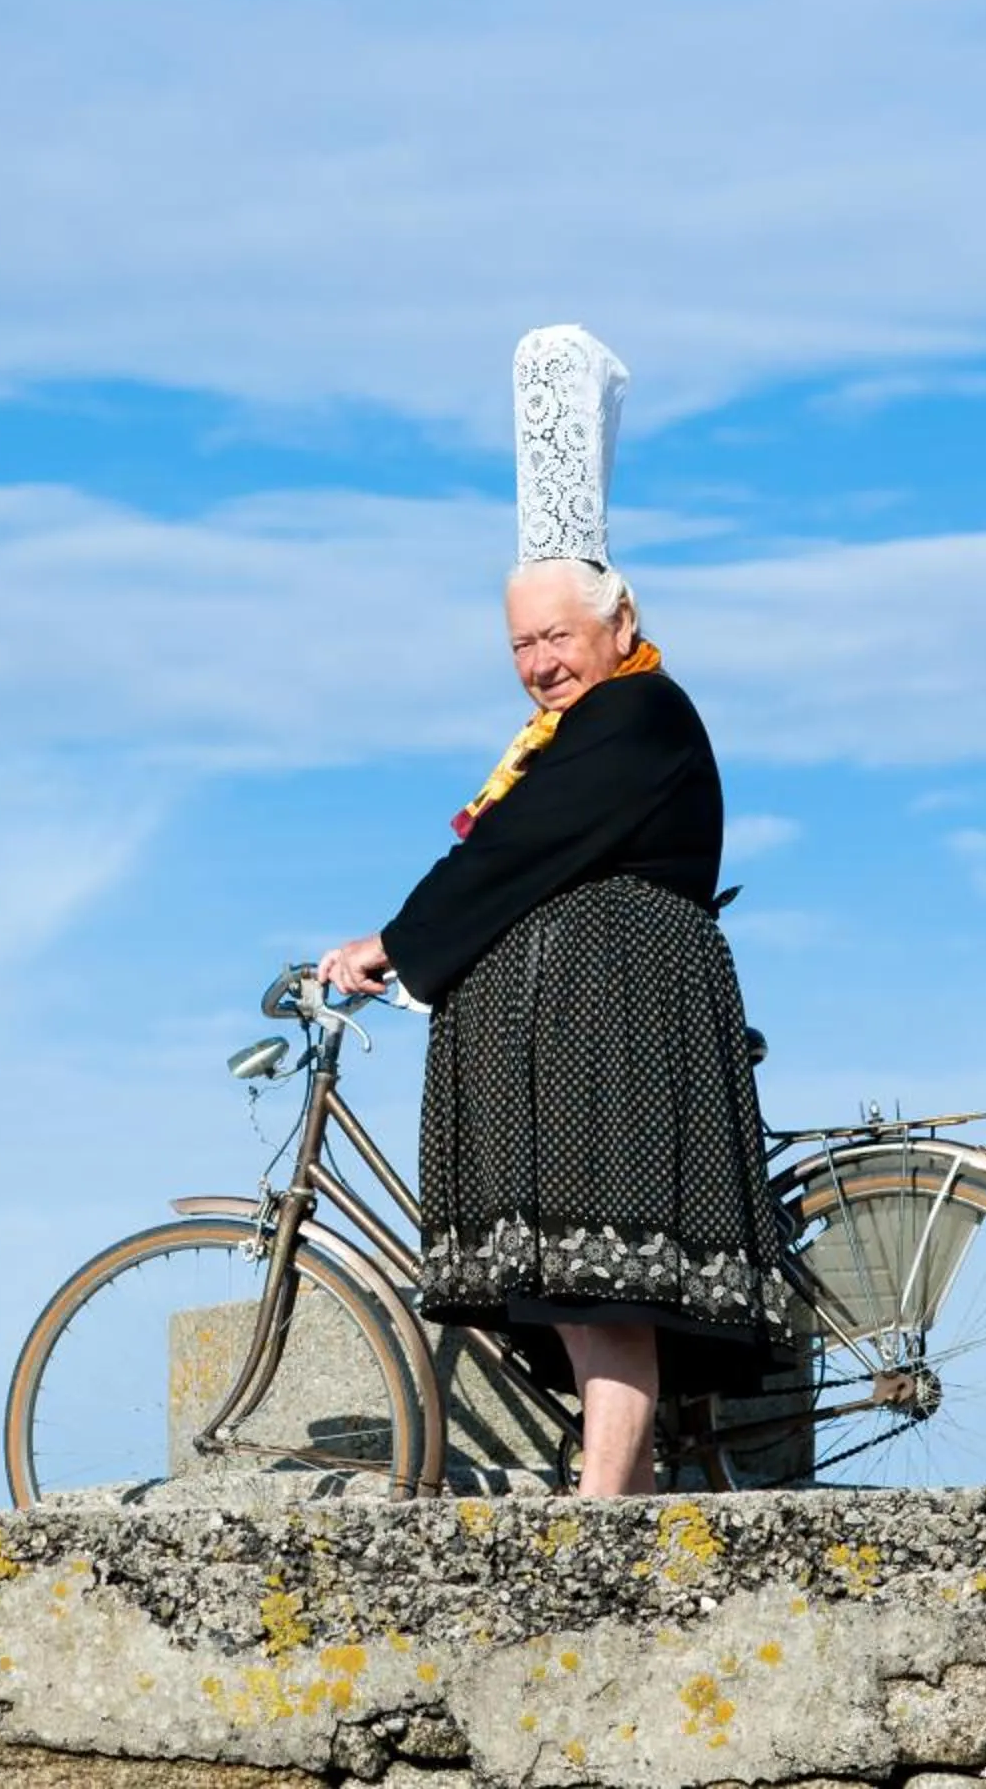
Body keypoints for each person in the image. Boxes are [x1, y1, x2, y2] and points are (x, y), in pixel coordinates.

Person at [318, 326, 796, 1498]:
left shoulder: (637, 716)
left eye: (557, 637)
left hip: (618, 1019)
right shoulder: (586, 724)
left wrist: (392, 942)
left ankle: (606, 1503)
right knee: (579, 1275)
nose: (538, 662)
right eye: (521, 643)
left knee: (609, 1272)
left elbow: (521, 848)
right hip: (582, 1025)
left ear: (620, 626)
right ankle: (613, 1480)